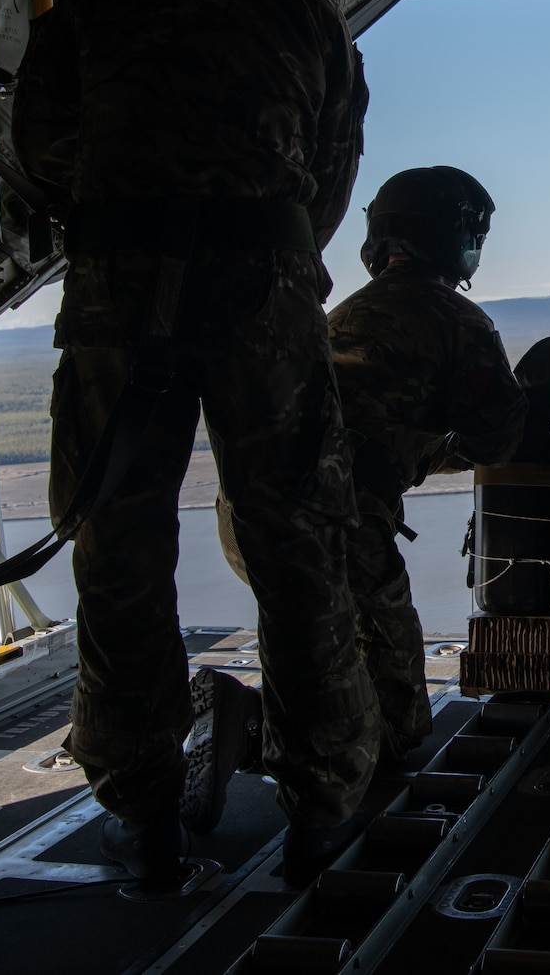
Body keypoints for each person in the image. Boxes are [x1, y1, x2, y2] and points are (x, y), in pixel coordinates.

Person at [15, 0, 377, 887]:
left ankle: (141, 810)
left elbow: (43, 146)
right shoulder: (308, 7)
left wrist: (129, 215)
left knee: (117, 548)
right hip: (260, 296)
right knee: (295, 544)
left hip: (118, 293)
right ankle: (324, 799)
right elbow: (326, 180)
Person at [223, 166, 526, 762]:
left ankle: (269, 728)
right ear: (454, 235)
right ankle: (253, 730)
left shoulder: (343, 315)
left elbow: (376, 426)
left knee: (315, 651)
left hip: (247, 513)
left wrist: (418, 448)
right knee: (399, 715)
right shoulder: (456, 320)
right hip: (338, 525)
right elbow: (498, 440)